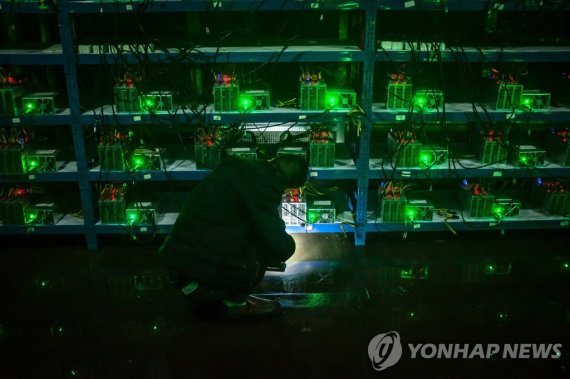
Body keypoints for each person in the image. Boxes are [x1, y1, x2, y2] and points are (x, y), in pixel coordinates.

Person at [159, 154, 309, 319]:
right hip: (194, 263)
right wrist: (289, 247)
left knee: (243, 232)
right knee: (256, 246)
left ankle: (197, 287)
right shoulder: (262, 186)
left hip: (179, 257)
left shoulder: (240, 170)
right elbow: (273, 237)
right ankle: (234, 303)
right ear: (286, 183)